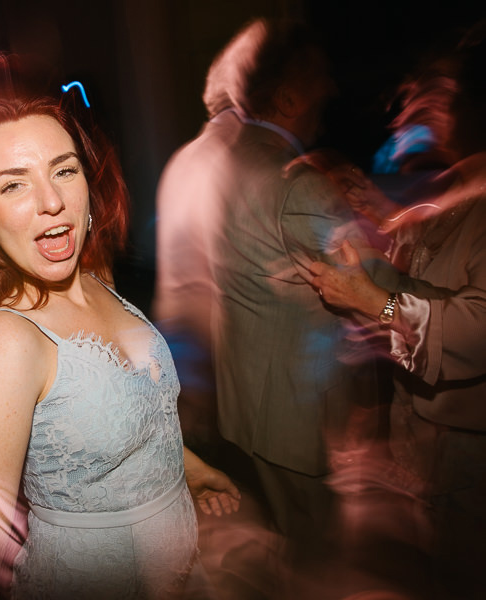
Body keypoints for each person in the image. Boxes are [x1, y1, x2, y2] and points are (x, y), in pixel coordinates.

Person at [0, 93, 240, 599]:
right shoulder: (6, 342)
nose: (51, 201)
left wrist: (196, 470)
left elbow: (130, 419)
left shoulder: (95, 277)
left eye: (64, 170)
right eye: (13, 184)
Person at [154, 17, 411, 594]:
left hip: (246, 406)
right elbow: (387, 290)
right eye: (321, 77)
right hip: (295, 420)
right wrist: (388, 220)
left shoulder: (214, 162)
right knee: (317, 560)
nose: (334, 90)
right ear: (289, 94)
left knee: (285, 545)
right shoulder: (298, 184)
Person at [310, 33, 486, 599]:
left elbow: (475, 327)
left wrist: (371, 302)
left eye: (442, 94)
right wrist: (373, 216)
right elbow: (429, 266)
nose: (420, 107)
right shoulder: (460, 180)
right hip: (433, 438)